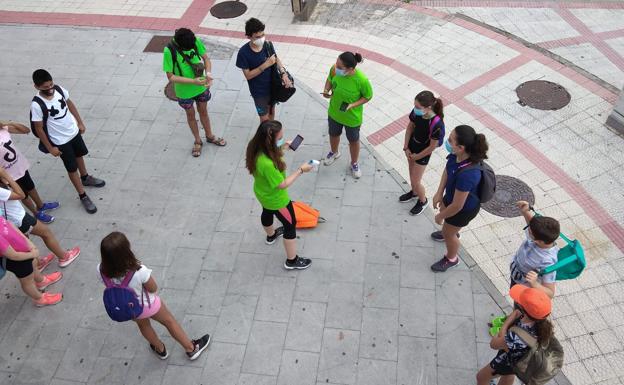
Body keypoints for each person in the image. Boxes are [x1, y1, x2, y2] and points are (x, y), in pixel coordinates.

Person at [98, 232, 210, 360]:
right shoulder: (139, 271)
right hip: (149, 305)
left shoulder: (100, 270)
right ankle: (191, 348)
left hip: (130, 308)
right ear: (126, 251)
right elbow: (153, 288)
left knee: (144, 326)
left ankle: (160, 349)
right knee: (169, 321)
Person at [31, 69, 105, 214]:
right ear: (37, 87)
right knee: (71, 168)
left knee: (80, 155)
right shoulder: (36, 105)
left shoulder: (58, 90)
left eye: (51, 84)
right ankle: (82, 195)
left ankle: (85, 177)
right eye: (46, 87)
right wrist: (51, 148)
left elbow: (70, 104)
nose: (50, 89)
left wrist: (80, 122)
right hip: (60, 140)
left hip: (73, 132)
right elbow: (39, 129)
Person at [245, 120, 312, 270]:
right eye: (280, 137)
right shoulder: (267, 164)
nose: (282, 138)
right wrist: (301, 170)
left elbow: (271, 155)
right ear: (270, 139)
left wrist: (283, 147)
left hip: (262, 194)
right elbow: (282, 184)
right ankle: (292, 260)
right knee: (290, 225)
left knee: (266, 211)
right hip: (277, 200)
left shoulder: (255, 148)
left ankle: (271, 235)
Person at [430, 125, 488, 272]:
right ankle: (450, 231)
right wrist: (439, 192)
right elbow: (447, 170)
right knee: (449, 228)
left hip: (463, 210)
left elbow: (457, 206)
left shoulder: (468, 174)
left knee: (449, 233)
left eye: (450, 140)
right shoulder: (457, 156)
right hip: (453, 200)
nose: (447, 142)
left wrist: (440, 216)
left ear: (461, 147)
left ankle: (451, 258)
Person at [0, 168, 80, 270]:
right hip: (19, 219)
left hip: (11, 220)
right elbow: (21, 195)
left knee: (26, 245)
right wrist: (6, 175)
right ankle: (64, 257)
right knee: (46, 233)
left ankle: (38, 265)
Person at [163, 28, 226, 157]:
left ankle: (209, 136)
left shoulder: (193, 40)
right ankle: (197, 141)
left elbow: (206, 59)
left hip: (201, 86)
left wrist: (208, 74)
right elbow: (170, 77)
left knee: (204, 112)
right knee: (191, 115)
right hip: (184, 91)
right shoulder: (169, 51)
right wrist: (193, 81)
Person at [476, 285, 554, 385]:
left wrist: (506, 323)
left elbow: (494, 344)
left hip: (507, 361)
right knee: (508, 375)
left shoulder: (516, 336)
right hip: (518, 362)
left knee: (481, 377)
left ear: (523, 308)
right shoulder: (542, 326)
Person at [322, 51, 373, 179]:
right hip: (334, 112)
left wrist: (353, 105)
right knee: (333, 134)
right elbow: (329, 79)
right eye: (336, 63)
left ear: (350, 69)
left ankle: (354, 163)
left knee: (353, 140)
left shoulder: (361, 80)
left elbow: (368, 96)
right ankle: (334, 152)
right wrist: (326, 90)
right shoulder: (334, 69)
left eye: (340, 67)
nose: (336, 67)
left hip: (352, 117)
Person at [0, 120, 60, 223]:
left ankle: (40, 205)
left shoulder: (3, 130)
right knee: (23, 194)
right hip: (8, 175)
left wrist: (10, 122)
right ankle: (36, 213)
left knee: (30, 186)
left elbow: (25, 130)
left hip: (19, 165)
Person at [236, 18, 292, 122]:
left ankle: (271, 135)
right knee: (264, 120)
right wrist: (265, 65)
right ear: (248, 36)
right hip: (259, 93)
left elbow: (276, 58)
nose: (261, 38)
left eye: (262, 35)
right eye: (257, 37)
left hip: (273, 87)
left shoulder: (267, 45)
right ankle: (265, 137)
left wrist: (283, 73)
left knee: (272, 112)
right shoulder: (243, 53)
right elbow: (248, 75)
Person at [0, 216, 63, 306]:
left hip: (25, 252)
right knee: (27, 281)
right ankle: (39, 299)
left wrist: (28, 243)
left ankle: (41, 281)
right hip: (18, 261)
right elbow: (13, 255)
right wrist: (33, 254)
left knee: (33, 265)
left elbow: (9, 224)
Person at [399, 91, 445, 215]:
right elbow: (410, 127)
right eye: (414, 106)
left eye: (418, 107)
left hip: (423, 153)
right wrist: (406, 147)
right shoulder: (416, 112)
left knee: (416, 180)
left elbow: (431, 147)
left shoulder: (436, 124)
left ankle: (423, 201)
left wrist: (417, 157)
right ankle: (414, 193)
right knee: (411, 174)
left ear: (428, 107)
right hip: (412, 146)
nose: (415, 109)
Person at [509, 201, 559, 298]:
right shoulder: (541, 237)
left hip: (525, 289)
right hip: (516, 276)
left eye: (530, 233)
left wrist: (535, 284)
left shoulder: (548, 261)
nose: (528, 230)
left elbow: (550, 293)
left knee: (519, 306)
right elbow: (532, 225)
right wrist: (525, 212)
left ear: (539, 241)